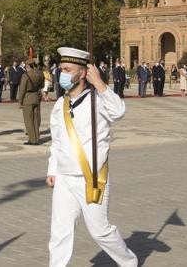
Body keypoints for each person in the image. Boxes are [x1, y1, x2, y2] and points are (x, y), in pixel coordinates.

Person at [46, 47, 137, 267]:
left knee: (100, 231)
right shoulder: (60, 104)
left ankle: (128, 261)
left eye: (68, 69)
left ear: (83, 73)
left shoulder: (99, 100)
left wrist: (101, 84)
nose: (62, 74)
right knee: (60, 231)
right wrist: (52, 169)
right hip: (65, 178)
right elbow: (56, 141)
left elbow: (119, 112)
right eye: (61, 69)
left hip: (92, 178)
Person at [18, 60, 43, 145]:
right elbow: (42, 85)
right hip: (36, 96)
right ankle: (36, 139)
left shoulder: (25, 75)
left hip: (28, 98)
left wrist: (20, 101)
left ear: (28, 66)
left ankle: (32, 140)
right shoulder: (39, 74)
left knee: (28, 119)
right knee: (36, 119)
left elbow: (22, 89)